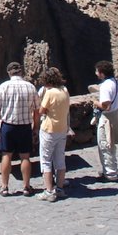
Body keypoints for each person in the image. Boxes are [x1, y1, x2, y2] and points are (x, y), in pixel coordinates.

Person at [0, 61, 39, 196]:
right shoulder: (30, 87)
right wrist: (35, 128)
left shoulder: (3, 87)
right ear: (21, 72)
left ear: (9, 73)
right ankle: (26, 187)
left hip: (8, 126)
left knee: (6, 155)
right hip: (25, 126)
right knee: (25, 157)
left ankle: (5, 187)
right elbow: (36, 111)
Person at [36, 67, 70, 202]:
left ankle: (49, 191)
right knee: (60, 159)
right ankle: (60, 189)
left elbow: (42, 110)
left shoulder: (50, 93)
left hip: (49, 130)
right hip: (62, 129)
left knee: (45, 160)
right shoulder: (65, 90)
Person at [94, 60, 118, 181]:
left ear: (102, 73)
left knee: (105, 144)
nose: (96, 73)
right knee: (111, 144)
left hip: (107, 118)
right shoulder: (117, 83)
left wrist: (95, 102)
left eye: (97, 71)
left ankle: (110, 173)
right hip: (116, 115)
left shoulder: (105, 86)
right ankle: (110, 170)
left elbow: (105, 106)